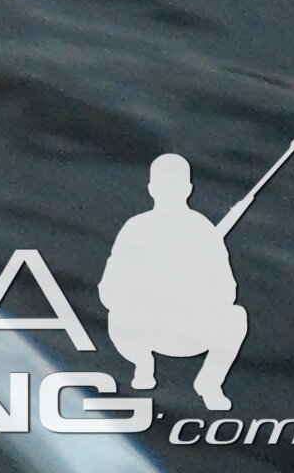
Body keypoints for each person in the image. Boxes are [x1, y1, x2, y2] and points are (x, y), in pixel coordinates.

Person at [101, 153, 251, 411]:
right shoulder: (136, 227)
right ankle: (143, 364)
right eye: (164, 186)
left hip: (191, 329)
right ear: (151, 189)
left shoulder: (203, 231)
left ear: (188, 190)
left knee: (236, 317)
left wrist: (193, 288)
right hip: (143, 328)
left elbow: (228, 291)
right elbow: (109, 288)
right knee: (117, 314)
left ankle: (209, 383)